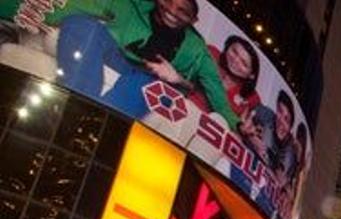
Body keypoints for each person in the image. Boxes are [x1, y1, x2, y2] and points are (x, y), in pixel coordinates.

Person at [47, 0, 240, 129]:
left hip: (153, 81)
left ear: (193, 20)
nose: (172, 11)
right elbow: (83, 6)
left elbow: (217, 95)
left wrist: (177, 78)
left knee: (145, 83)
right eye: (168, 1)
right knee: (83, 25)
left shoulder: (198, 50)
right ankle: (73, 107)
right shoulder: (133, 5)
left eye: (183, 11)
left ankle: (96, 126)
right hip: (120, 59)